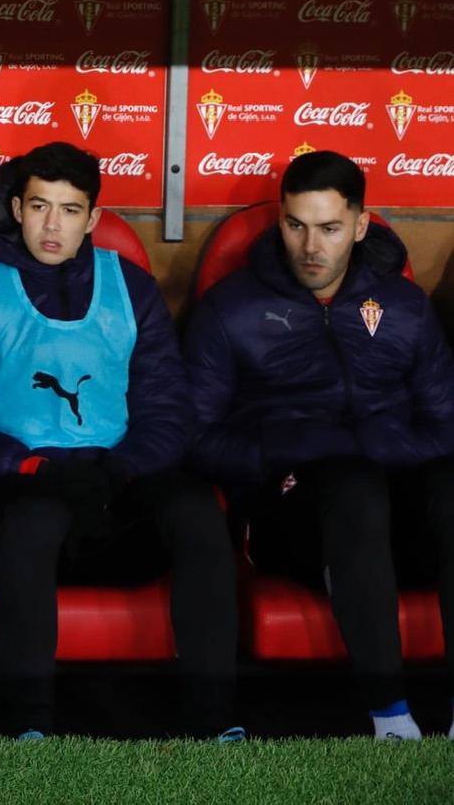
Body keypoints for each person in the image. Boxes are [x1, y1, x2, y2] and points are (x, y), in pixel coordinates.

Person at [0, 143, 240, 742]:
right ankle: (30, 728)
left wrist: (120, 469)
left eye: (70, 211)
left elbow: (169, 414)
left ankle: (215, 723)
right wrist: (34, 468)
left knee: (197, 509)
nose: (53, 225)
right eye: (40, 206)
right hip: (12, 493)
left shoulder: (133, 289)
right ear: (16, 208)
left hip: (111, 489)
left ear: (93, 219)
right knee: (37, 515)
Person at [185, 149, 454, 740]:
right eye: (295, 225)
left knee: (444, 489)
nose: (311, 247)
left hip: (391, 504)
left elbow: (444, 426)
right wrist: (278, 455)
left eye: (330, 228)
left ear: (360, 225)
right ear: (278, 220)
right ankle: (391, 719)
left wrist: (377, 449)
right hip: (290, 518)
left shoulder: (404, 309)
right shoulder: (231, 309)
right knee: (351, 486)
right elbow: (196, 437)